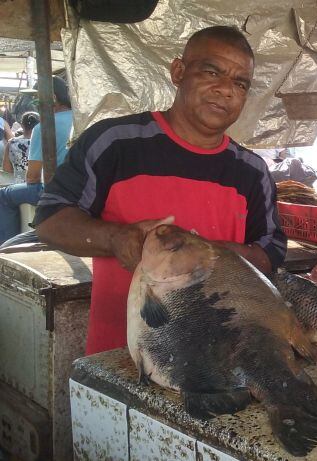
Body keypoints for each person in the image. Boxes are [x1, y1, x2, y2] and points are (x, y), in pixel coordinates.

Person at [33, 26, 287, 355]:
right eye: (212, 72)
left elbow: (269, 255)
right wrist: (115, 238)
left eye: (240, 83)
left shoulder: (252, 172)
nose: (226, 90)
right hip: (122, 357)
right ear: (178, 72)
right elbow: (50, 219)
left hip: (222, 357)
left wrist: (202, 254)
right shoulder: (115, 144)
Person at [0, 77, 73, 244]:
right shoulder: (84, 119)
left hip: (56, 192)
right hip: (83, 190)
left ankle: (6, 251)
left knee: (3, 195)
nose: (34, 103)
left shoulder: (44, 127)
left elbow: (32, 177)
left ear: (53, 98)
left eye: (36, 98)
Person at [2, 112, 39, 184]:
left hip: (18, 187)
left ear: (21, 125)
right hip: (39, 187)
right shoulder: (43, 143)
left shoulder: (11, 143)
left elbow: (7, 170)